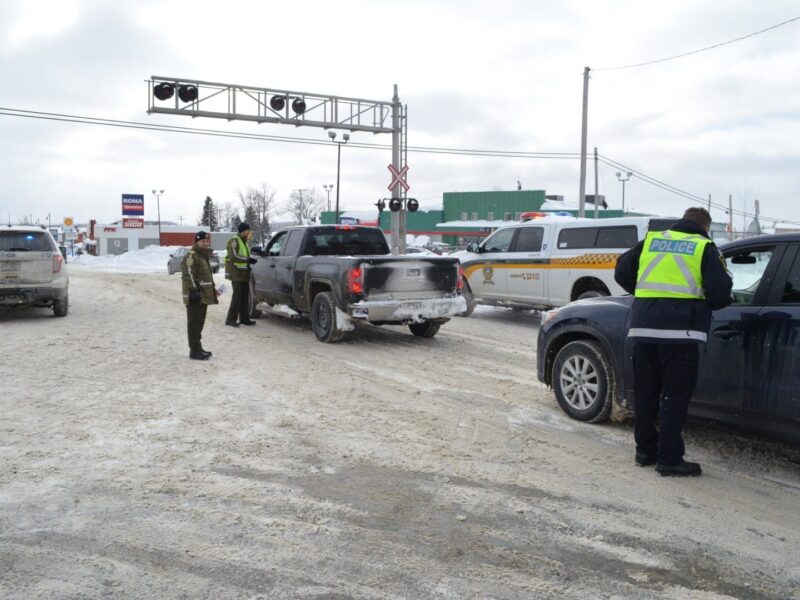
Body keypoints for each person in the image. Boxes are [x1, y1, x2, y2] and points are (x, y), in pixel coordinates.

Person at [614, 207, 732, 477]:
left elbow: (622, 273)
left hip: (643, 330)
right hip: (682, 334)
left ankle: (645, 452)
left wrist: (648, 297)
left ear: (682, 220)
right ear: (705, 225)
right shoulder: (704, 246)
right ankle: (669, 459)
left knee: (646, 393)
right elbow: (721, 294)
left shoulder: (652, 241)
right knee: (674, 397)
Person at [181, 231, 220, 360]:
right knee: (194, 323)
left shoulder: (203, 255)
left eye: (206, 241)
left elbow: (206, 276)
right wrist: (194, 291)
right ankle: (194, 351)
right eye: (202, 241)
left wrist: (213, 290)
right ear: (197, 242)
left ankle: (198, 347)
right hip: (195, 296)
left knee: (199, 323)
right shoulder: (192, 256)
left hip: (203, 295)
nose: (205, 243)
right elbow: (188, 274)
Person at [225, 222, 258, 327]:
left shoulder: (244, 242)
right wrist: (248, 260)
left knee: (245, 298)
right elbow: (233, 256)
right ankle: (230, 319)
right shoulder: (234, 241)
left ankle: (244, 318)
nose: (249, 233)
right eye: (247, 231)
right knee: (237, 298)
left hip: (244, 274)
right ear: (243, 231)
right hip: (237, 274)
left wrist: (250, 260)